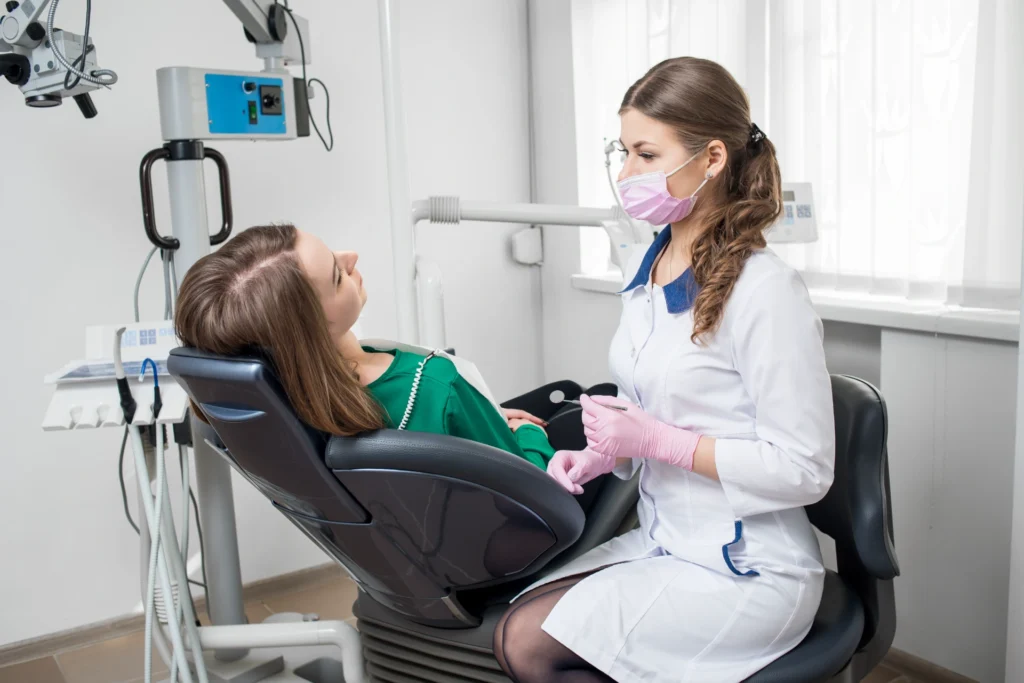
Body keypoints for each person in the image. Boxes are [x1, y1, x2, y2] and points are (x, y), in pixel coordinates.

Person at [492, 56, 836, 683]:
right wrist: (607, 454)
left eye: (646, 155)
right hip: (668, 537)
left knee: (530, 645)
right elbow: (651, 403)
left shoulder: (766, 292)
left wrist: (657, 441)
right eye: (622, 152)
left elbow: (804, 469)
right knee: (516, 620)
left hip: (748, 567)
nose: (625, 175)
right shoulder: (649, 267)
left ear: (711, 158)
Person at [174, 223, 556, 469]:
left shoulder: (282, 409)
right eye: (338, 275)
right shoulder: (433, 386)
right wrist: (527, 434)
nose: (351, 256)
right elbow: (535, 489)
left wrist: (480, 418)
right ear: (312, 330)